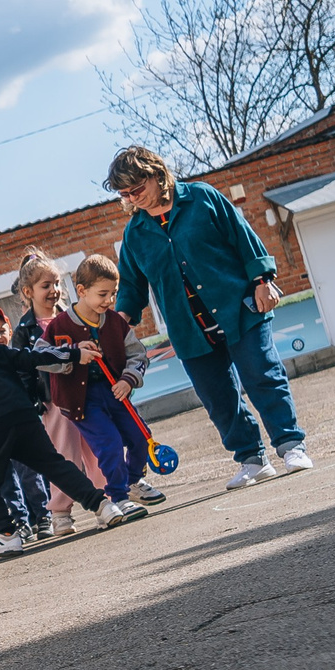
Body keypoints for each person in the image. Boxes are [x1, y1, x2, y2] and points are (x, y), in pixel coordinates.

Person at [106, 144, 312, 488]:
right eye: (125, 194)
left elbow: (244, 239)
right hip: (190, 330)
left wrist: (263, 281)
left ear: (157, 175)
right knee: (218, 398)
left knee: (263, 377)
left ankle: (291, 445)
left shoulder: (202, 198)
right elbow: (130, 286)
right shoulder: (136, 234)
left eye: (137, 189)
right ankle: (251, 459)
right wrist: (118, 323)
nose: (132, 198)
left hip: (240, 310)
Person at [0, 304, 136, 547]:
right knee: (55, 466)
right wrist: (74, 354)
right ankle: (103, 505)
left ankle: (8, 536)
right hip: (25, 418)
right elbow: (33, 358)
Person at [46, 255, 160, 517]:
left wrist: (128, 379)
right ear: (82, 291)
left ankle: (131, 481)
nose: (109, 300)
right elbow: (42, 357)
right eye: (103, 294)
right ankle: (118, 497)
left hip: (116, 393)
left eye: (114, 293)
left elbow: (138, 355)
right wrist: (73, 352)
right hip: (83, 400)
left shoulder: (116, 321)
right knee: (109, 444)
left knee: (140, 438)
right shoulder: (59, 325)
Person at [13, 256, 109, 540]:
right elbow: (23, 369)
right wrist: (32, 401)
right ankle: (60, 512)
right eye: (46, 285)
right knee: (64, 455)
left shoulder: (74, 316)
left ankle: (107, 499)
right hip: (53, 401)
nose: (54, 290)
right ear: (28, 292)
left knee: (96, 448)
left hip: (86, 393)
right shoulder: (24, 330)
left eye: (56, 283)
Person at [0, 304, 53, 539]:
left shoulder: (17, 357)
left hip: (24, 423)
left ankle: (44, 516)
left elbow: (31, 381)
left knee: (31, 472)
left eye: (1, 331)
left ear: (10, 331)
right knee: (7, 478)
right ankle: (22, 520)